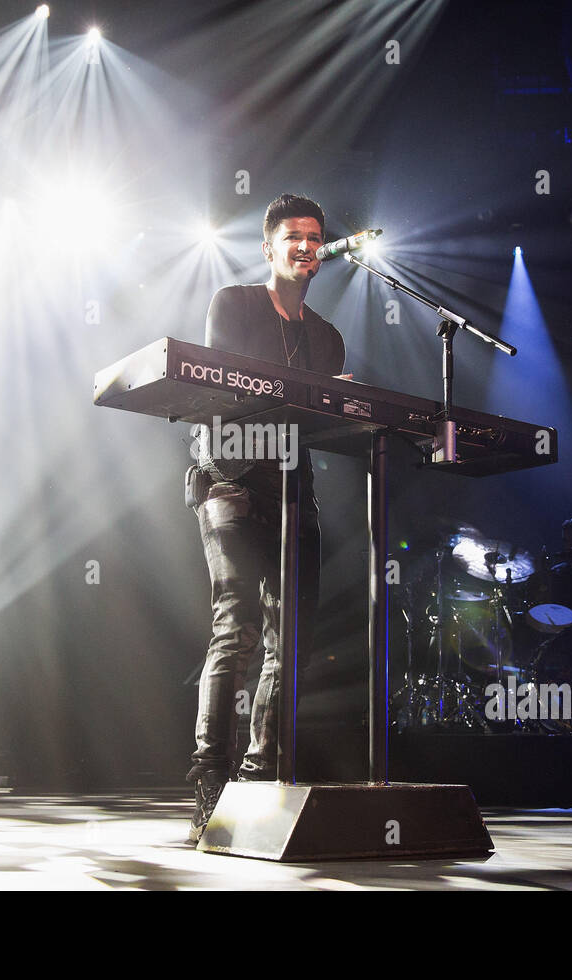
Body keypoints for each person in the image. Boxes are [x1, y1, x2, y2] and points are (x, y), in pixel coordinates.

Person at [184, 193, 346, 842]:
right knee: (237, 629)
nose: (307, 245)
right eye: (294, 235)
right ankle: (210, 784)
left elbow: (317, 418)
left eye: (316, 236)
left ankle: (261, 777)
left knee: (291, 642)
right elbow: (233, 385)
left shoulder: (327, 336)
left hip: (292, 492)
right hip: (232, 479)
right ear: (269, 247)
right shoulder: (235, 304)